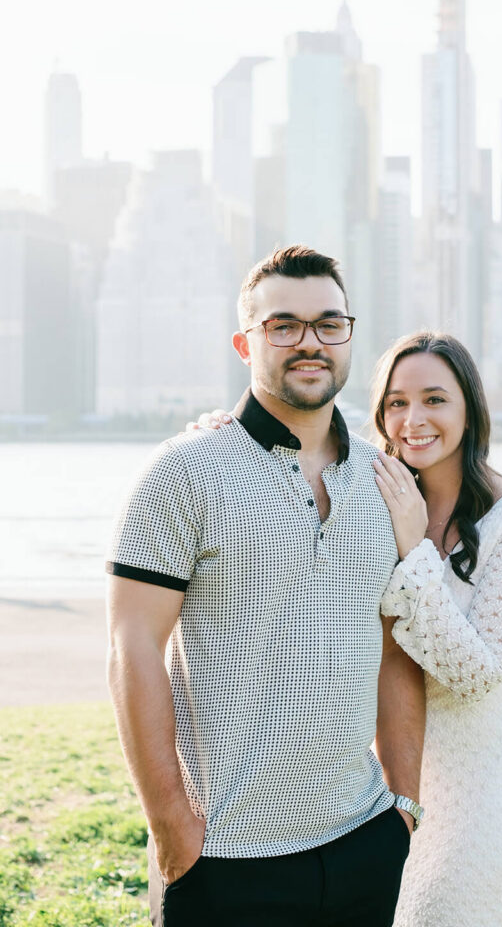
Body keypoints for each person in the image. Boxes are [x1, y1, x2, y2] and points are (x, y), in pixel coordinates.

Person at [106, 245, 425, 927]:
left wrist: (403, 805)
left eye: (327, 324)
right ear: (243, 343)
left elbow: (395, 651)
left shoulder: (386, 483)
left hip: (363, 840)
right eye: (283, 325)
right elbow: (132, 650)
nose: (308, 342)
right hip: (223, 855)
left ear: (347, 336)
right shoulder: (184, 472)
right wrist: (172, 827)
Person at [198, 329, 502, 927]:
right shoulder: (368, 491)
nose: (414, 419)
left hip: (479, 798)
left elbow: (478, 675)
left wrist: (414, 549)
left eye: (435, 399)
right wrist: (222, 440)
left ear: (470, 408)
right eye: (396, 402)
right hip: (370, 791)